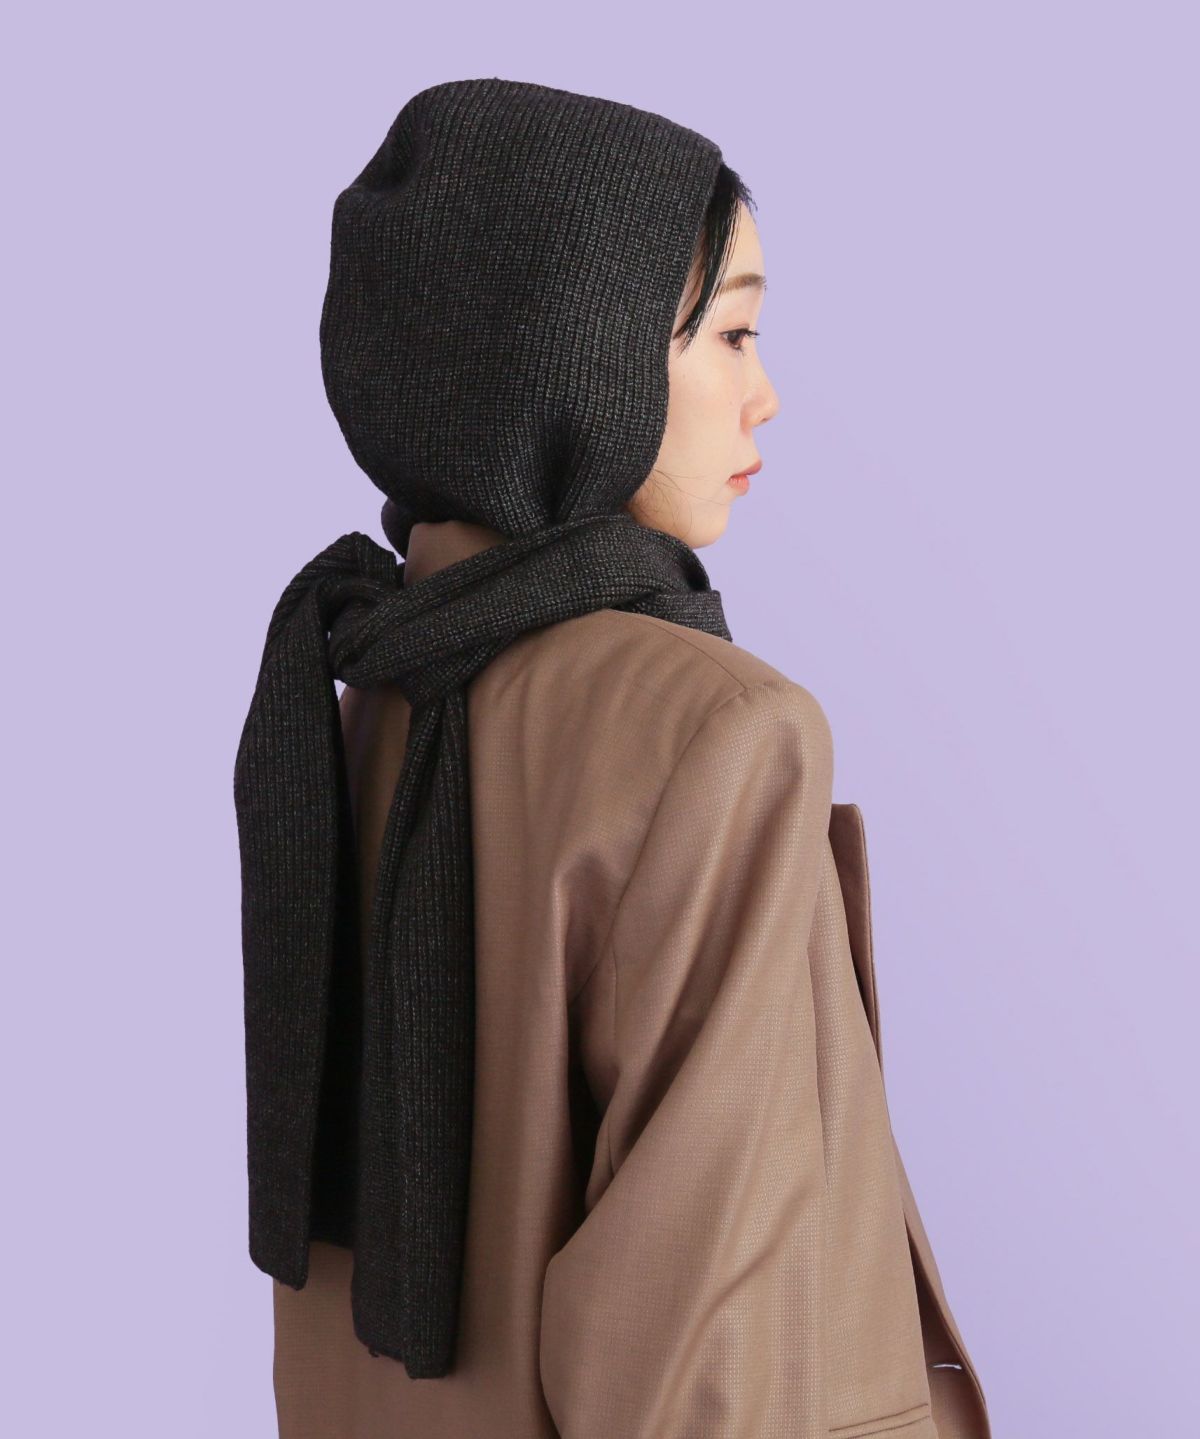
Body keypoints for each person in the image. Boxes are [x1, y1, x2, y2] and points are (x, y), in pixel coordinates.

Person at [234, 77, 992, 1438]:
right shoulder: (720, 731)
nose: (765, 395)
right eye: (733, 332)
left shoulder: (358, 700)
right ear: (573, 357)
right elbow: (703, 1353)